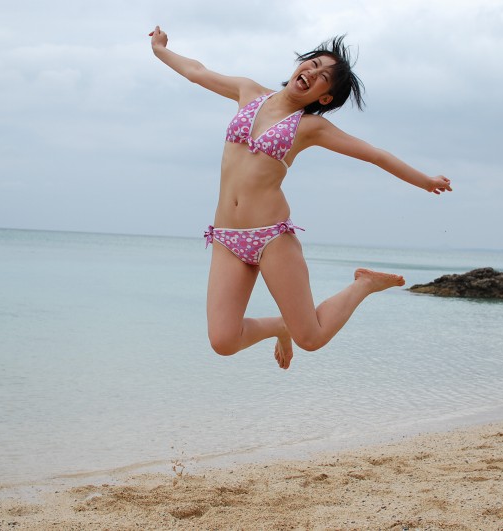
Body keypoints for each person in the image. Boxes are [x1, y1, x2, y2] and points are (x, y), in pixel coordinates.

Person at [149, 26, 452, 370]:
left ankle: (365, 284)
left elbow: (374, 154)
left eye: (324, 78)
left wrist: (425, 181)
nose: (313, 72)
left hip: (271, 238)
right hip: (227, 237)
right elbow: (196, 71)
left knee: (311, 338)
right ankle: (280, 326)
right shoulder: (249, 92)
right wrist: (160, 50)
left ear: (325, 98)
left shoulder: (310, 128)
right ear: (300, 64)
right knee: (223, 340)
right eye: (314, 64)